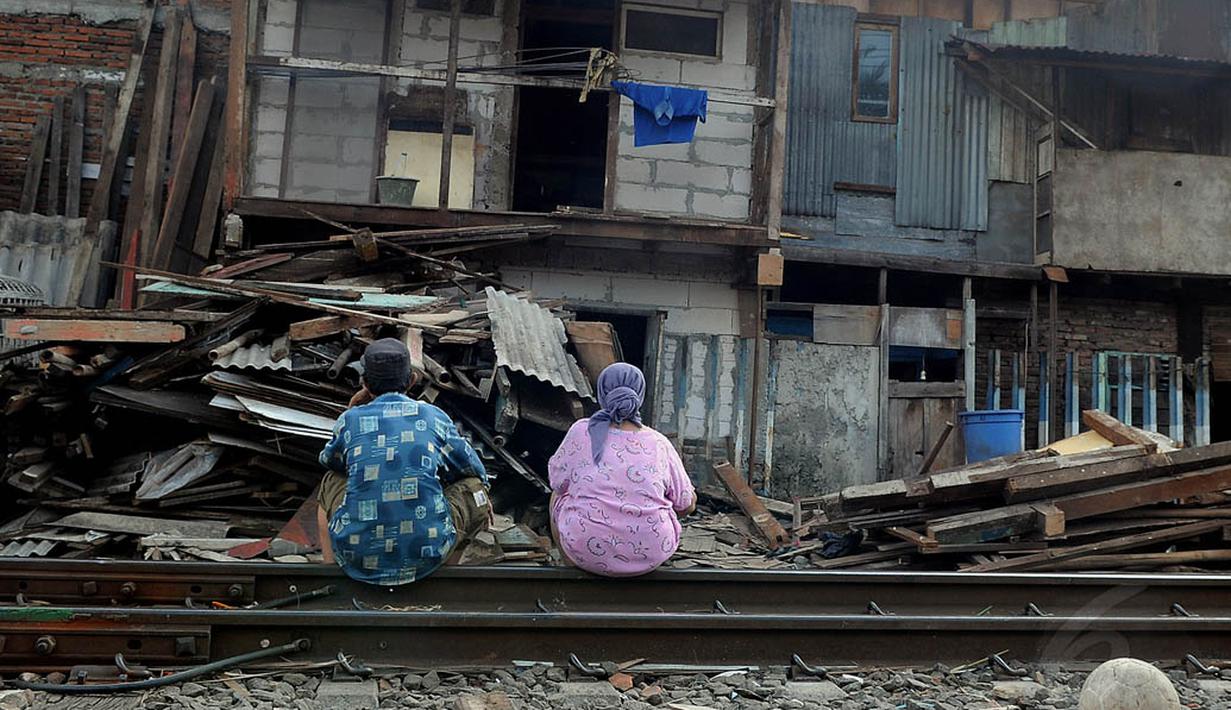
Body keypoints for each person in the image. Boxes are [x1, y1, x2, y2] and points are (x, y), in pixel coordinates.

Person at [317, 338, 491, 585]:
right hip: (428, 553)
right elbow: (471, 468)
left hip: (358, 555)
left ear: (364, 383)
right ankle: (446, 573)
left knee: (330, 481)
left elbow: (330, 460)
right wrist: (481, 490)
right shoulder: (433, 416)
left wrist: (351, 411)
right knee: (475, 488)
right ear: (411, 380)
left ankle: (329, 572)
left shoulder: (350, 420)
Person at [547, 362, 696, 577]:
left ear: (602, 393)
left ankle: (572, 567)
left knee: (557, 495)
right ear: (640, 394)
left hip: (586, 552)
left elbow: (557, 480)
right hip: (652, 554)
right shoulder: (658, 442)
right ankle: (638, 556)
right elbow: (685, 504)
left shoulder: (581, 431)